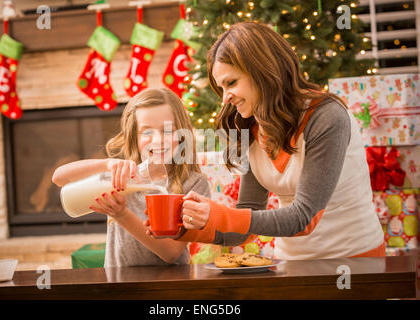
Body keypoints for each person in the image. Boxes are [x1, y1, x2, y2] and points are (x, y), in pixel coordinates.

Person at [171, 22, 385, 260]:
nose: (225, 98)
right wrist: (180, 230)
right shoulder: (249, 127)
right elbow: (246, 223)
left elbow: (303, 219)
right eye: (221, 88)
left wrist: (217, 214)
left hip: (354, 262)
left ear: (262, 71)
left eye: (231, 83)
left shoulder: (327, 117)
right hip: (290, 264)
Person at [52, 88, 211, 267]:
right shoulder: (122, 175)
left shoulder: (194, 184)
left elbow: (171, 253)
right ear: (134, 136)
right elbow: (59, 178)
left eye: (168, 131)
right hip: (119, 283)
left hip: (169, 285)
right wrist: (105, 164)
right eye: (147, 132)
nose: (158, 140)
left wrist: (122, 215)